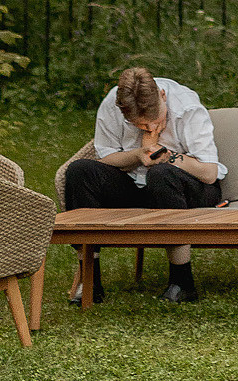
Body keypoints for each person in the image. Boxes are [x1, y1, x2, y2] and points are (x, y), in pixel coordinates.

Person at [65, 66, 227, 304]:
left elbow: (209, 173)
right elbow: (106, 158)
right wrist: (138, 155)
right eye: (139, 126)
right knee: (80, 171)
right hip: (135, 184)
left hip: (189, 188)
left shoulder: (187, 107)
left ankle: (182, 282)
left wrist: (169, 156)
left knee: (162, 175)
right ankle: (90, 280)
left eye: (154, 122)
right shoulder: (112, 105)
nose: (150, 129)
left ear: (162, 95)